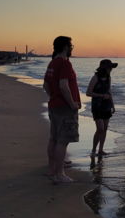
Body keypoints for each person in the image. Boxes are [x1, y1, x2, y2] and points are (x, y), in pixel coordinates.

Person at [43, 36, 81, 183]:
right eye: (70, 45)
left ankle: (52, 170)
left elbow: (46, 85)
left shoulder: (52, 63)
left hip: (54, 105)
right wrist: (72, 104)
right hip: (65, 108)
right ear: (65, 47)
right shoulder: (65, 64)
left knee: (53, 138)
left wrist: (54, 97)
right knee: (63, 141)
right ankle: (60, 174)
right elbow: (63, 85)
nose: (71, 48)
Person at [86, 59, 117, 156]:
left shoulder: (108, 77)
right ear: (104, 68)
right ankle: (94, 150)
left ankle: (101, 150)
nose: (111, 69)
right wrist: (101, 96)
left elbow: (109, 91)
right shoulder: (95, 77)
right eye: (109, 67)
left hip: (107, 105)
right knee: (100, 128)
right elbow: (88, 93)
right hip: (97, 106)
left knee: (105, 128)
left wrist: (112, 105)